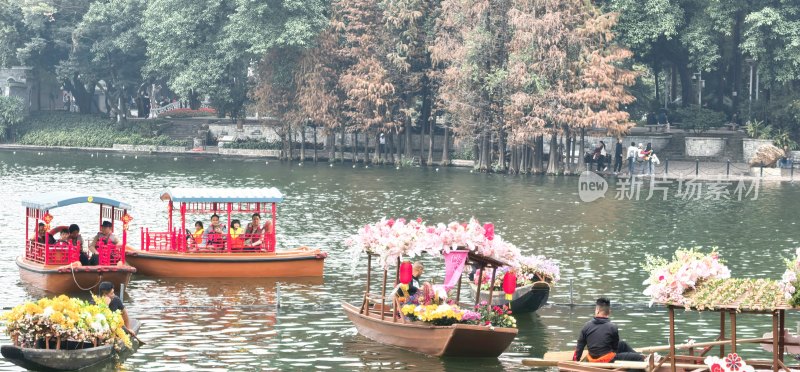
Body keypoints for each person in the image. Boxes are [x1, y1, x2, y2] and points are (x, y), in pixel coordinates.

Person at [573, 298, 643, 363]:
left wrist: (575, 362)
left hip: (591, 358)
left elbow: (579, 348)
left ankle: (641, 355)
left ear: (597, 310)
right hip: (606, 360)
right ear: (609, 312)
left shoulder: (586, 326)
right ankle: (643, 357)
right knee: (639, 358)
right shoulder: (613, 327)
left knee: (622, 344)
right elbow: (614, 349)